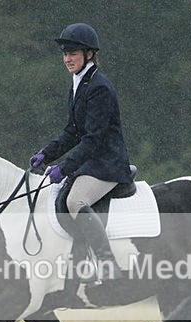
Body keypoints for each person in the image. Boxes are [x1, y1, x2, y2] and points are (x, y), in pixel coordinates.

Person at [29, 22, 132, 283]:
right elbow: (72, 131)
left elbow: (93, 140)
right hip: (92, 161)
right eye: (64, 54)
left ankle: (107, 263)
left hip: (107, 163)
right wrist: (46, 154)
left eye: (72, 53)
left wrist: (64, 167)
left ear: (88, 54)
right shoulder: (80, 83)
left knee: (75, 201)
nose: (67, 59)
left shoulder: (99, 87)